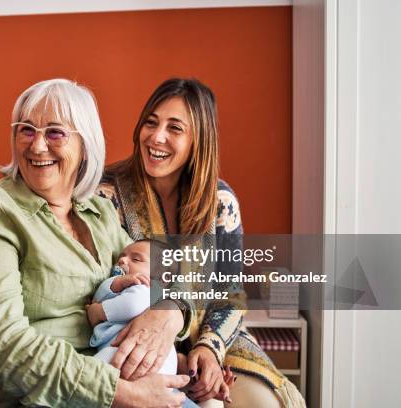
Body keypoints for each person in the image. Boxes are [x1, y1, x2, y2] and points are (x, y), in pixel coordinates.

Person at [0, 78, 193, 408]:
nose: (38, 146)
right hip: (30, 399)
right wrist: (119, 392)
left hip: (113, 383)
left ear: (85, 145)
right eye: (26, 130)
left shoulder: (98, 213)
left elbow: (166, 272)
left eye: (55, 132)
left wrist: (171, 312)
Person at [98, 78, 306, 408]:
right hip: (140, 335)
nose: (157, 137)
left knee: (267, 404)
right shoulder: (106, 194)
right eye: (150, 123)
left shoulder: (220, 201)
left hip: (215, 336)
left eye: (175, 128)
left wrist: (209, 347)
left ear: (199, 140)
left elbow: (229, 292)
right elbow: (107, 277)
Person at [86, 239, 234, 402]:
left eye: (136, 259)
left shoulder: (148, 288)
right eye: (121, 257)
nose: (122, 260)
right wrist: (116, 283)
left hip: (125, 357)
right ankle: (195, 381)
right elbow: (102, 293)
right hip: (156, 363)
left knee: (89, 374)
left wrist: (99, 312)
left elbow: (132, 305)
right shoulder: (126, 284)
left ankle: (197, 381)